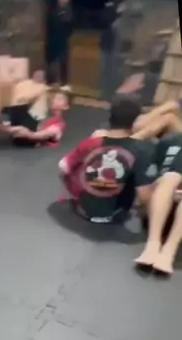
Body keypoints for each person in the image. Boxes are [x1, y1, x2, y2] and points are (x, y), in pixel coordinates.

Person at [58, 91, 182, 224]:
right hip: (113, 215)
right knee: (148, 181)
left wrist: (73, 190)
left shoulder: (92, 142)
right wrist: (163, 194)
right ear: (134, 121)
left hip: (81, 209)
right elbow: (144, 197)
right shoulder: (141, 150)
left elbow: (62, 167)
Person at [134, 131, 182, 275]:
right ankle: (152, 245)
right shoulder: (172, 140)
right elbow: (151, 175)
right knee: (170, 178)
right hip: (159, 203)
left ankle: (169, 251)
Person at [45, 0, 72, 88]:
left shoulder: (69, 10)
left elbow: (70, 25)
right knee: (51, 63)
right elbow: (48, 23)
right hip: (51, 40)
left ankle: (64, 84)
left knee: (63, 62)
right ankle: (50, 83)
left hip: (63, 40)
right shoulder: (51, 9)